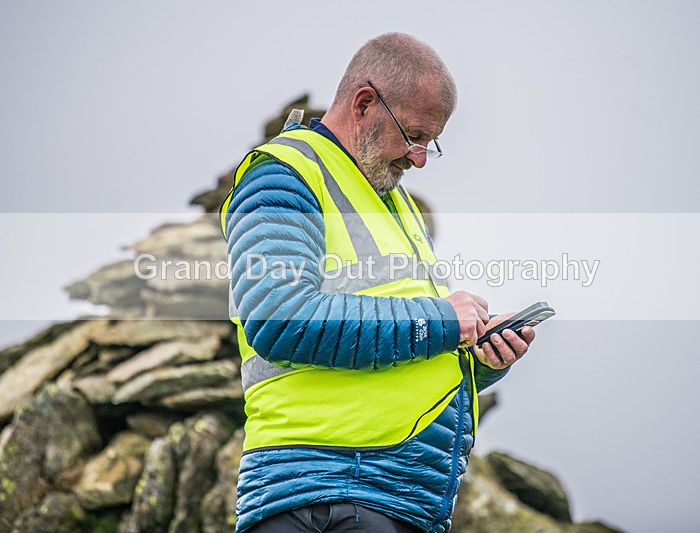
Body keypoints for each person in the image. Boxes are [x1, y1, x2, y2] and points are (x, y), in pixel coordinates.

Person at [220, 32, 536, 533]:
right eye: (413, 135)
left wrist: (476, 359)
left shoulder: (390, 197)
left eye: (431, 143)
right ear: (364, 103)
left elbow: (399, 345)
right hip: (325, 497)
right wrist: (443, 321)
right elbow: (278, 317)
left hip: (385, 501)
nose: (419, 158)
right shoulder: (284, 176)